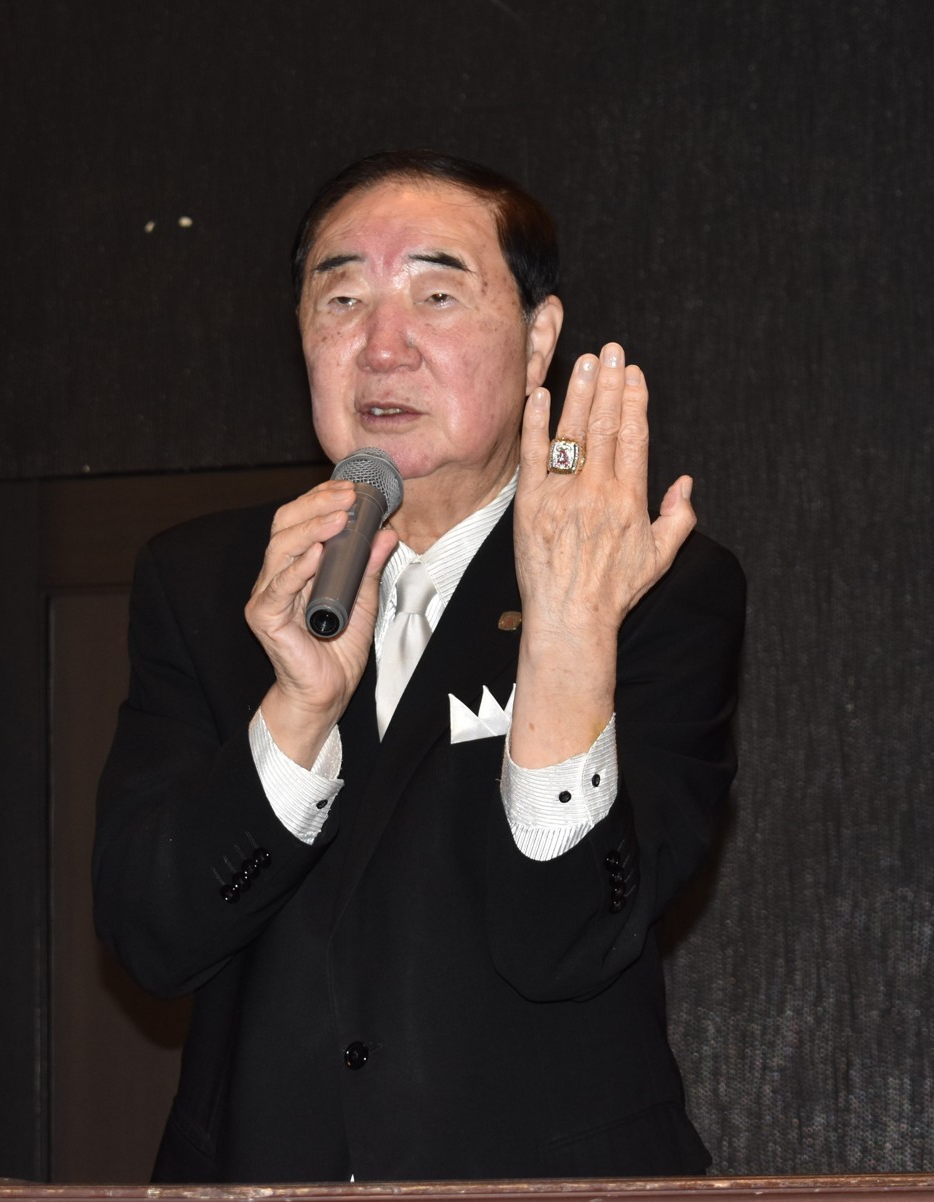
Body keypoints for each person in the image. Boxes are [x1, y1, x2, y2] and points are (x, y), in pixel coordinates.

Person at [93, 150, 745, 1183]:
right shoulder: (209, 581)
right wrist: (296, 715)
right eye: (341, 299)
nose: (381, 346)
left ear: (537, 340)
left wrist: (569, 635)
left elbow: (567, 940)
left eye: (436, 296)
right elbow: (152, 938)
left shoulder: (649, 580)